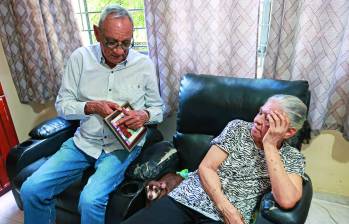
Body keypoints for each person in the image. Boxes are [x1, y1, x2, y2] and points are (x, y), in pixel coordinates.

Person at [20, 4, 163, 224]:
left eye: (126, 43)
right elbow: (63, 106)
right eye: (111, 42)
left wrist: (144, 115)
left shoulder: (143, 65)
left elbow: (158, 110)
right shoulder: (80, 58)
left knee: (90, 199)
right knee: (31, 190)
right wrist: (92, 106)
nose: (119, 51)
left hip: (121, 147)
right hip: (84, 143)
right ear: (97, 33)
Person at [122, 94, 307, 224]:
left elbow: (287, 200)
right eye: (260, 112)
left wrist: (270, 146)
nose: (258, 120)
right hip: (188, 198)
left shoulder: (292, 157)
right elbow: (207, 167)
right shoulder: (238, 128)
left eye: (270, 120)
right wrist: (227, 209)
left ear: (289, 131)